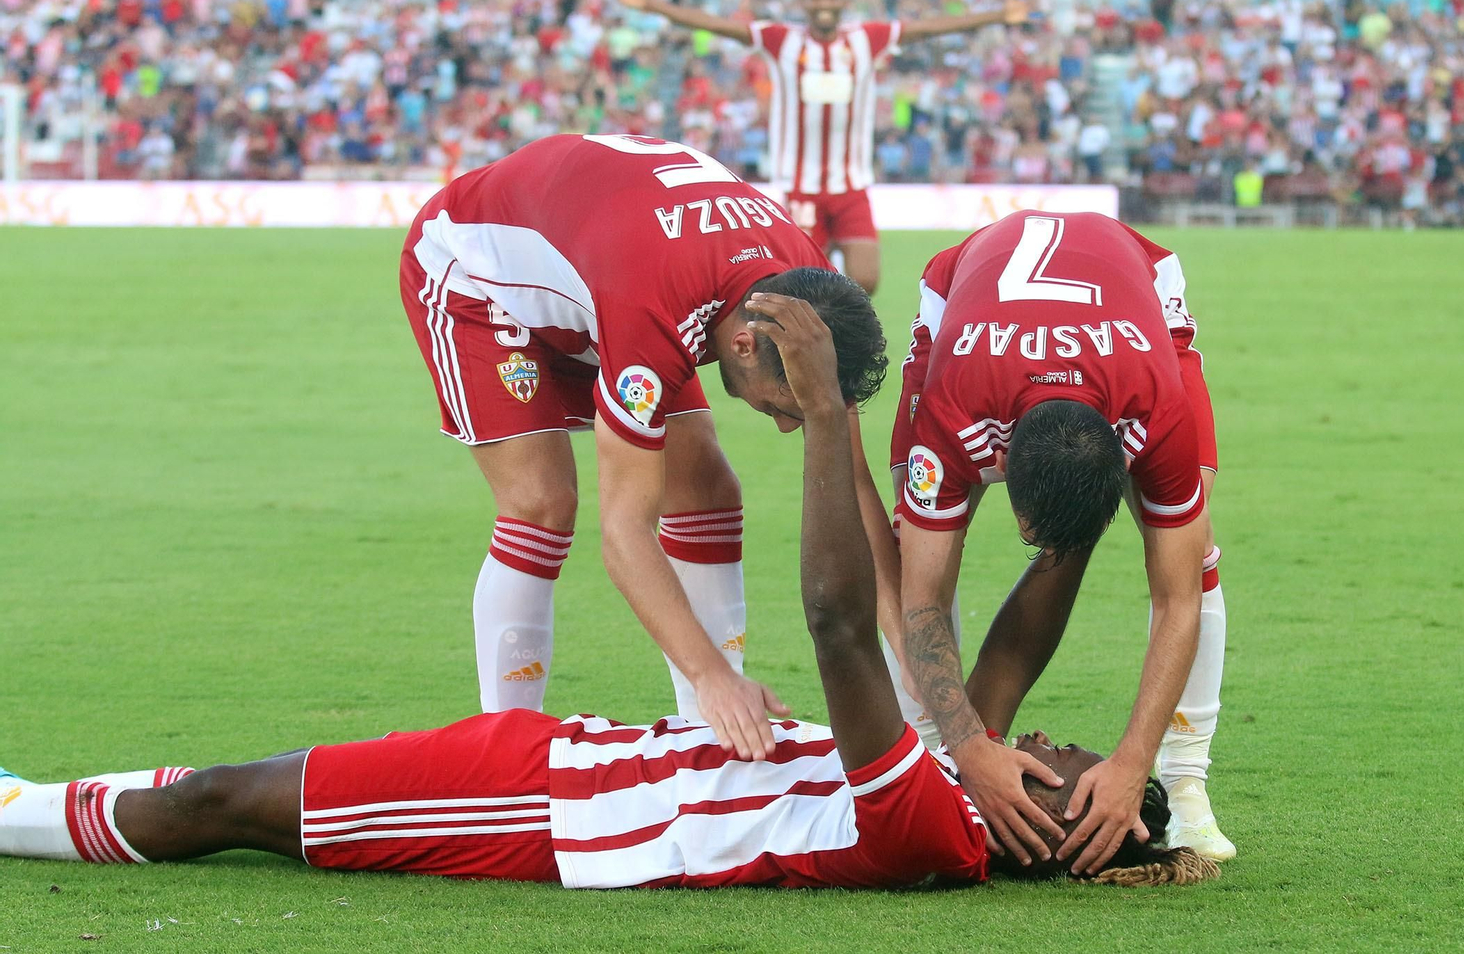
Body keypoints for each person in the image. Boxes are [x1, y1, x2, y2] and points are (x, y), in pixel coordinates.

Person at [0, 305, 1217, 890]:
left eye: (1073, 772)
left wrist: (830, 413)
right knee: (249, 789)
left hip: (546, 815)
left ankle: (20, 813)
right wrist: (1066, 537)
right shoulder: (968, 773)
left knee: (231, 799)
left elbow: (848, 624)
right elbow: (1003, 629)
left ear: (1061, 829)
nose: (1055, 742)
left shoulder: (934, 829)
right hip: (568, 754)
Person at [399, 132, 893, 764]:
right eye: (781, 407)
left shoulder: (805, 294)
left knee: (709, 486)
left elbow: (855, 489)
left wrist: (926, 701)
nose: (785, 427)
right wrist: (712, 673)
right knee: (543, 503)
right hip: (474, 273)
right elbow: (624, 531)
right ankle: (505, 750)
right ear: (743, 344)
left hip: (612, 265)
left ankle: (710, 739)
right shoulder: (654, 309)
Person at [884, 211, 1237, 874]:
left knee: (1193, 542)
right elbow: (921, 600)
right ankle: (932, 755)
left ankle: (1188, 782)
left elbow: (1176, 599)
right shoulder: (954, 421)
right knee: (912, 542)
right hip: (965, 301)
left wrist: (1135, 762)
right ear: (998, 470)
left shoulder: (1155, 415)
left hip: (1138, 300)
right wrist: (964, 744)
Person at [614, 0, 1028, 294]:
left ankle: (835, 321)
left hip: (850, 185)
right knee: (802, 281)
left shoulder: (867, 39)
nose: (824, 4)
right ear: (805, 4)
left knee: (866, 278)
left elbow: (929, 28)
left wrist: (997, 15)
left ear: (843, 2)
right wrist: (653, 4)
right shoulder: (781, 40)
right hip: (802, 186)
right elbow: (720, 25)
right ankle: (816, 346)